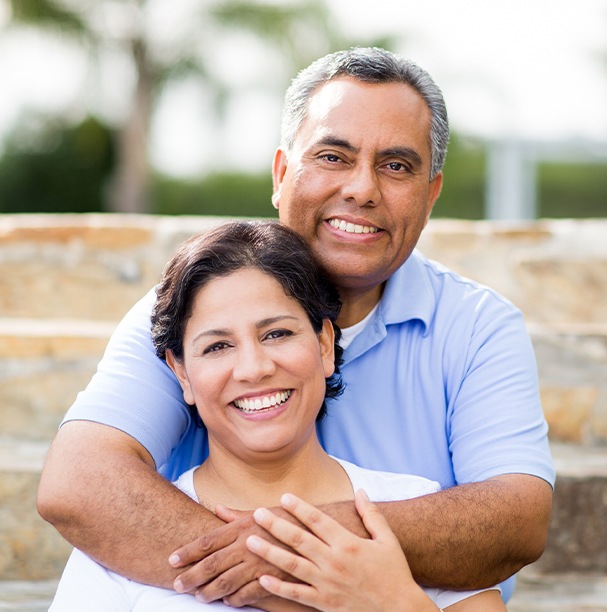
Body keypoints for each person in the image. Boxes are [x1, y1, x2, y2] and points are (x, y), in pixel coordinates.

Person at [37, 47, 554, 606]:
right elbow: (80, 482)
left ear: (431, 195)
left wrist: (293, 553)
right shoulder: (192, 307)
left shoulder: (478, 327)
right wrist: (303, 587)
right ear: (282, 174)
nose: (362, 189)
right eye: (333, 156)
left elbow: (516, 519)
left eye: (397, 166)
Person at [50, 220, 504, 611]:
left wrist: (395, 603)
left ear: (325, 345)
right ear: (181, 374)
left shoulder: (412, 509)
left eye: (277, 334)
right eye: (218, 346)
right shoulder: (120, 540)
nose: (254, 368)